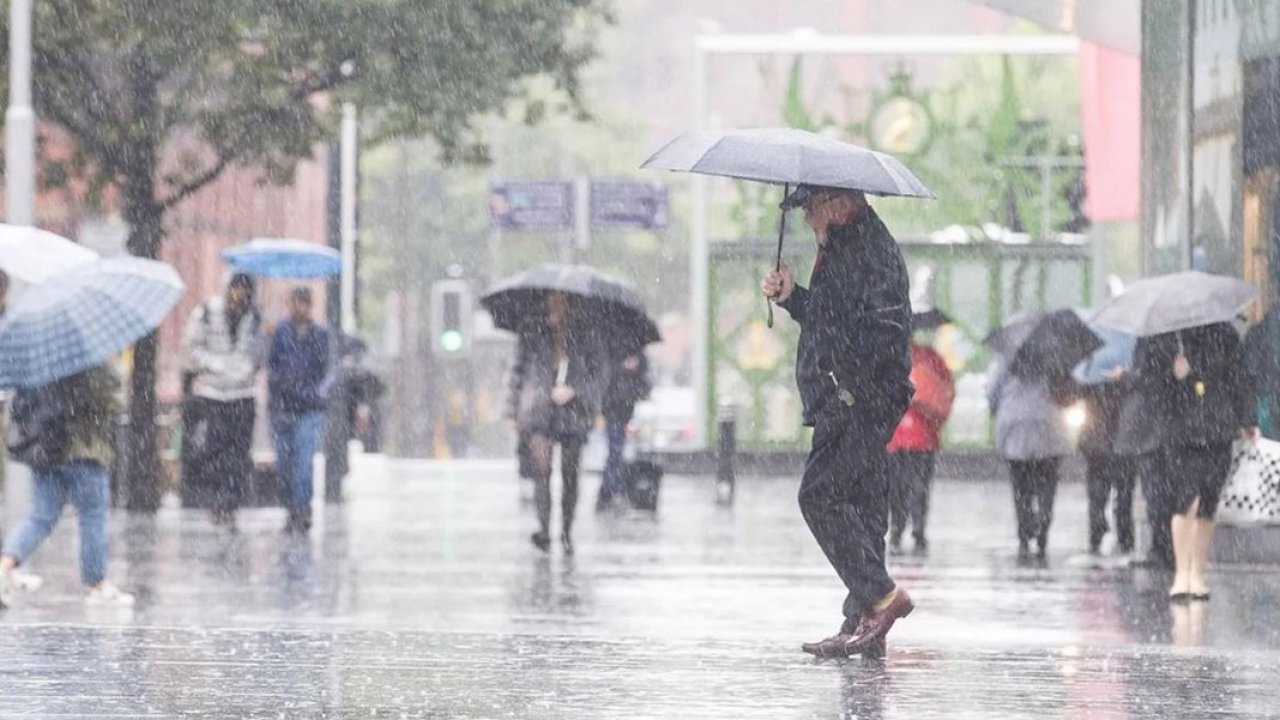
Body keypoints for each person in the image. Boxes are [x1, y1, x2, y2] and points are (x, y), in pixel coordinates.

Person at [761, 184, 915, 660]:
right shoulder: (847, 246)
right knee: (864, 508)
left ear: (838, 203)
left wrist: (847, 383)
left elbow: (877, 332)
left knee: (820, 495)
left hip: (857, 399)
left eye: (811, 208)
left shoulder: (867, 249)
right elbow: (833, 319)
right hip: (852, 396)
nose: (808, 219)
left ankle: (883, 598)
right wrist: (792, 299)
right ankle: (861, 623)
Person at [1136, 323, 1256, 602]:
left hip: (1217, 429)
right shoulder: (1164, 338)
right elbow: (1148, 385)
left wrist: (1248, 418)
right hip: (1180, 432)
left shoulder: (1225, 334)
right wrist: (1172, 374)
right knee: (1185, 500)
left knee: (1208, 503)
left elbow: (1239, 376)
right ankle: (1182, 574)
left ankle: (1197, 574)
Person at [0, 366, 134, 606]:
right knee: (92, 516)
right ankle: (96, 583)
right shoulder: (88, 362)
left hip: (46, 451)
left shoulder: (39, 363)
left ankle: (5, 566)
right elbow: (112, 403)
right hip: (85, 450)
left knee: (41, 516)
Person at [507, 291, 606, 554]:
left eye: (562, 300)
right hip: (540, 410)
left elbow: (598, 373)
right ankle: (544, 528)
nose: (557, 305)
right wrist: (513, 408)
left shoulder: (585, 333)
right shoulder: (532, 331)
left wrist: (576, 390)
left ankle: (565, 530)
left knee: (570, 473)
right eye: (552, 299)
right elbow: (518, 370)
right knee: (542, 471)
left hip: (572, 413)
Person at [180, 272, 263, 529]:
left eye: (244, 292)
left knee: (238, 454)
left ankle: (230, 503)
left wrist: (245, 367)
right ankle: (218, 501)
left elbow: (259, 351)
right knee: (215, 451)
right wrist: (214, 365)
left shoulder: (255, 318)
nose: (239, 297)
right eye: (235, 290)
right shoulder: (206, 312)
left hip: (243, 394)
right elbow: (190, 347)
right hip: (213, 394)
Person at [988, 360, 1071, 563]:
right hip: (1048, 424)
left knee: (1020, 487)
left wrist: (997, 409)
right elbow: (1067, 394)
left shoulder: (1005, 359)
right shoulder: (1055, 359)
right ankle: (1043, 524)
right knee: (1047, 484)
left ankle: (1024, 533)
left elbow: (992, 394)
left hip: (1014, 425)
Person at [268, 286, 334, 535]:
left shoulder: (320, 335)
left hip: (309, 409)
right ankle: (290, 508)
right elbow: (271, 364)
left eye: (304, 303)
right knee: (284, 465)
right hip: (282, 409)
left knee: (303, 464)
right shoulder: (280, 333)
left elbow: (328, 369)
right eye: (296, 303)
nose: (300, 308)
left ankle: (302, 510)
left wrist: (316, 392)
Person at [886, 335, 955, 555]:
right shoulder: (931, 359)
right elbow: (947, 392)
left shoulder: (888, 356)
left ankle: (897, 527)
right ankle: (918, 528)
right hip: (924, 436)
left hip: (895, 435)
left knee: (896, 486)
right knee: (920, 485)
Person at [1074, 371, 1139, 556]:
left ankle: (1099, 531)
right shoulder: (1128, 372)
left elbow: (1075, 395)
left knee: (1099, 493)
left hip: (1099, 443)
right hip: (1120, 442)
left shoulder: (1092, 372)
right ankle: (1124, 537)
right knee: (1123, 494)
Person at [597, 347, 651, 510]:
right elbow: (604, 378)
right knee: (615, 451)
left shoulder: (635, 349)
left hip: (625, 409)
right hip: (613, 409)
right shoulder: (608, 351)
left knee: (616, 451)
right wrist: (622, 366)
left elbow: (643, 375)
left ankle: (607, 492)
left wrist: (636, 365)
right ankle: (611, 491)